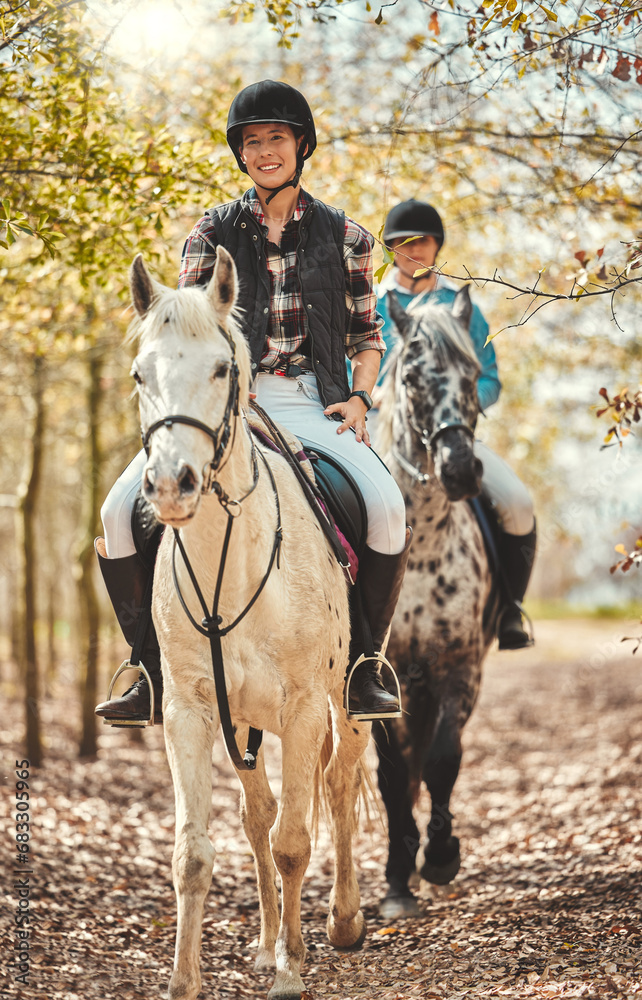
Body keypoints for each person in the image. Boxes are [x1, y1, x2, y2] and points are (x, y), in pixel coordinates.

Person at [95, 80, 410, 726]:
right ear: (242, 154)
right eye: (253, 141)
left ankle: (363, 667)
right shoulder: (209, 234)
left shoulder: (346, 236)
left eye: (277, 139)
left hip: (309, 401)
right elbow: (180, 335)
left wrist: (359, 396)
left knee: (387, 508)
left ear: (301, 146)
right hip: (217, 400)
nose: (265, 151)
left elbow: (366, 336)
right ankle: (149, 667)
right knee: (116, 514)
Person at [377, 199, 536, 649]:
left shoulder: (464, 307)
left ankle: (508, 609)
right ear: (390, 249)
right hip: (384, 434)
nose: (413, 250)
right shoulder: (371, 307)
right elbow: (352, 372)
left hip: (452, 434)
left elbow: (490, 378)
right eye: (402, 243)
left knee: (518, 503)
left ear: (436, 246)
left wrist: (461, 408)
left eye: (422, 242)